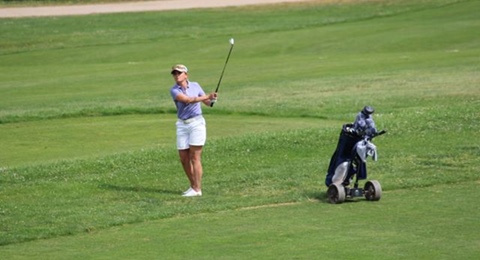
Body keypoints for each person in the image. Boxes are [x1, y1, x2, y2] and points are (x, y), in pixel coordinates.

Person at [169, 64, 218, 197]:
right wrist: (208, 96)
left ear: (186, 75)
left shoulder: (195, 85)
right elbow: (188, 100)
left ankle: (197, 189)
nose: (176, 75)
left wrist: (212, 100)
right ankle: (193, 186)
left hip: (196, 123)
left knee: (194, 157)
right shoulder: (174, 90)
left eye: (179, 73)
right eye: (174, 73)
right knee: (183, 158)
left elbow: (207, 103)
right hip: (182, 125)